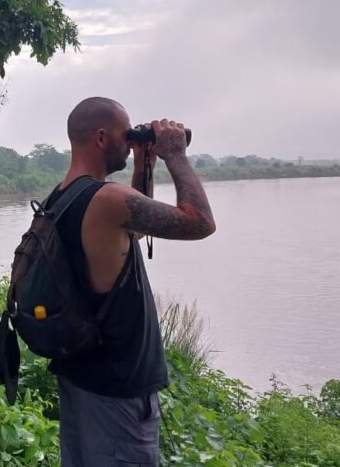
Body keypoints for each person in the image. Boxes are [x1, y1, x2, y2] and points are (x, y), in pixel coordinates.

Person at [47, 97, 216, 466]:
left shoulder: (61, 197)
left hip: (80, 374)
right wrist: (176, 155)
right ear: (101, 138)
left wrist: (143, 165)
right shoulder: (108, 199)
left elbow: (132, 233)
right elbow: (201, 222)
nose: (129, 143)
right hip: (118, 388)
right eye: (126, 136)